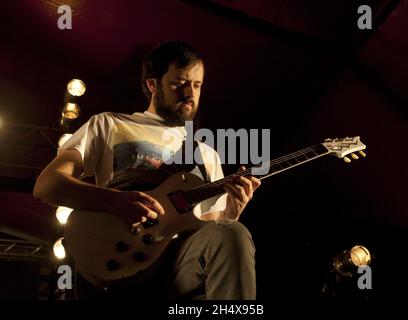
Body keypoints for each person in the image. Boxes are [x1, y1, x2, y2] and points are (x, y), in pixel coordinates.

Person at [33, 41, 261, 300]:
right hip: (125, 257)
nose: (190, 93)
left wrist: (232, 212)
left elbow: (211, 230)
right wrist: (116, 201)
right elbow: (48, 185)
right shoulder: (109, 124)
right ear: (153, 85)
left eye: (197, 85)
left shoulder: (207, 155)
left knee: (233, 232)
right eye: (179, 83)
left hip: (178, 270)